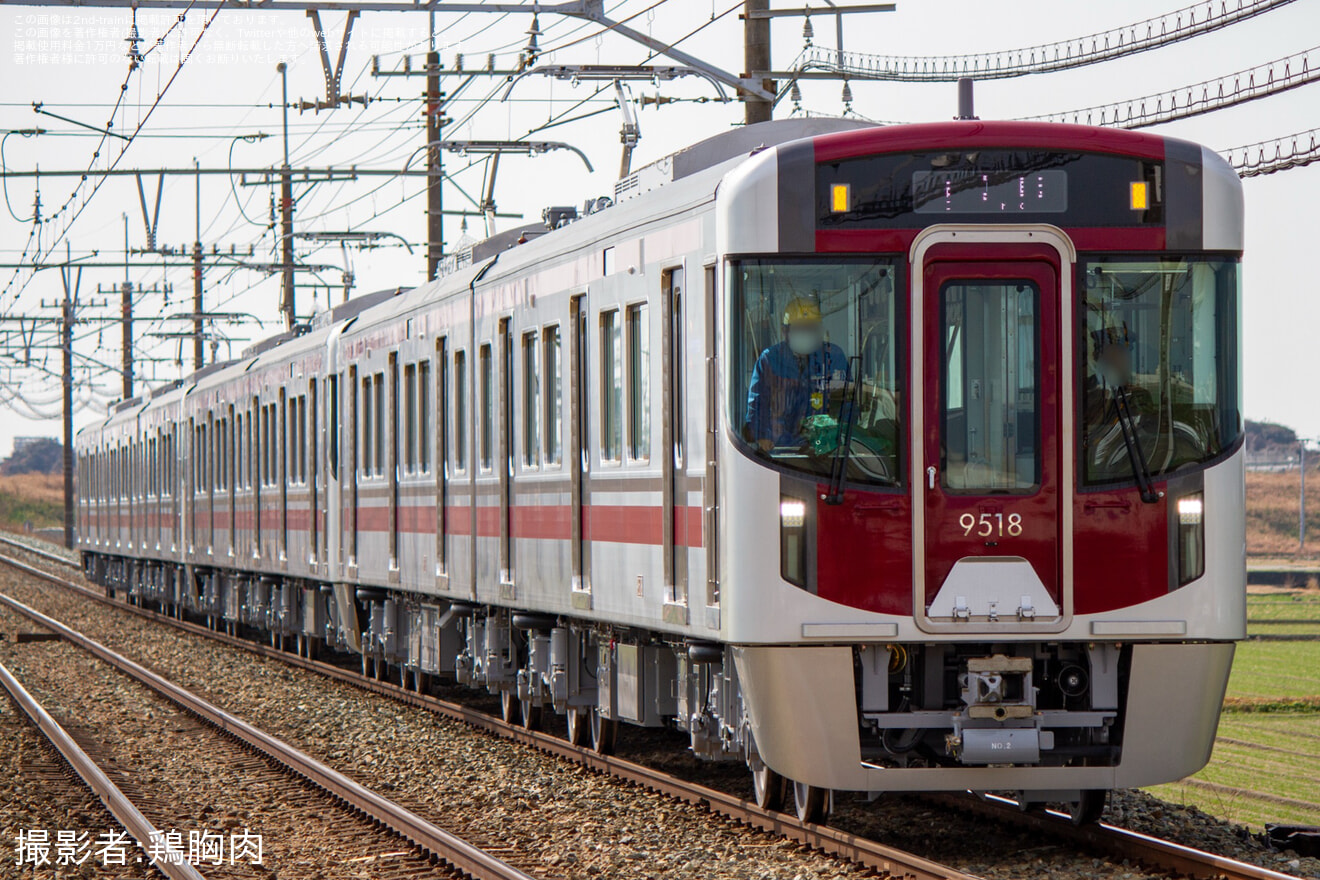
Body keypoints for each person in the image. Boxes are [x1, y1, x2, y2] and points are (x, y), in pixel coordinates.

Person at [745, 297, 850, 451]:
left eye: (811, 328)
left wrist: (844, 437)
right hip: (779, 448)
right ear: (784, 331)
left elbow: (848, 402)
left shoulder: (833, 356)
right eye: (800, 328)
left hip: (825, 448)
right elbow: (757, 402)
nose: (806, 333)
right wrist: (761, 436)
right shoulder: (770, 359)